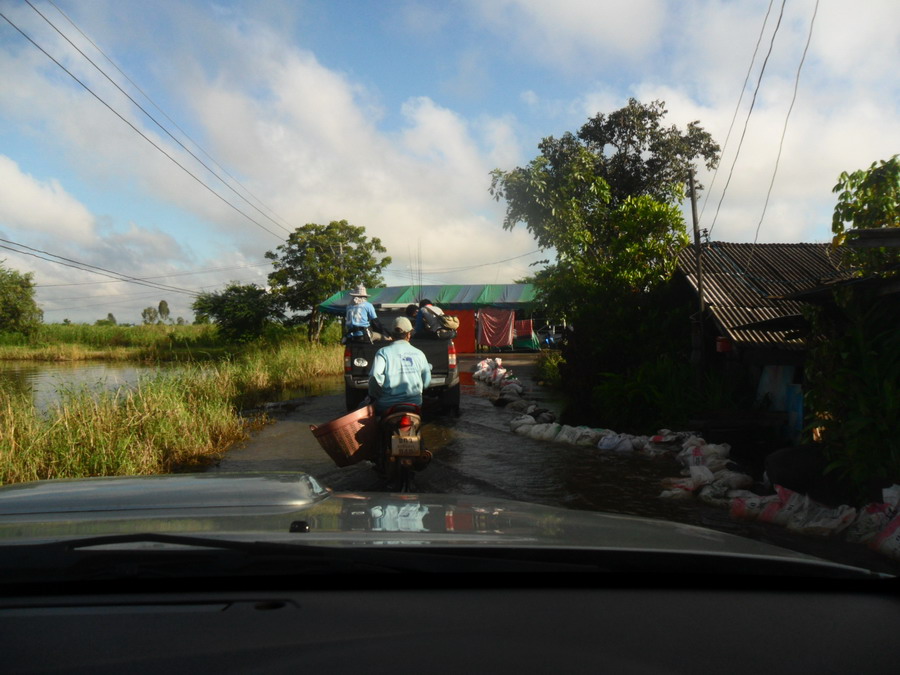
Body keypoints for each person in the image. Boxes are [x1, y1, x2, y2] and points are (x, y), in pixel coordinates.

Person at [368, 316, 431, 415]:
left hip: (387, 405)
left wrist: (373, 395)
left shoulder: (383, 352)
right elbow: (426, 383)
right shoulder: (419, 354)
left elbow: (374, 377)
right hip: (414, 404)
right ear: (409, 334)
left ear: (392, 334)